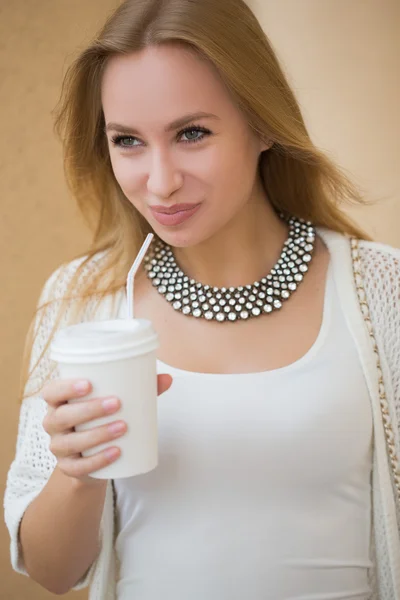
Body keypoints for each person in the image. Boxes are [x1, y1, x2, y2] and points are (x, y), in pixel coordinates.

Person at [4, 0, 400, 598]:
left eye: (192, 133)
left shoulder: (381, 289)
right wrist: (78, 469)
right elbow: (51, 572)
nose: (160, 181)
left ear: (263, 123)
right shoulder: (80, 300)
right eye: (128, 141)